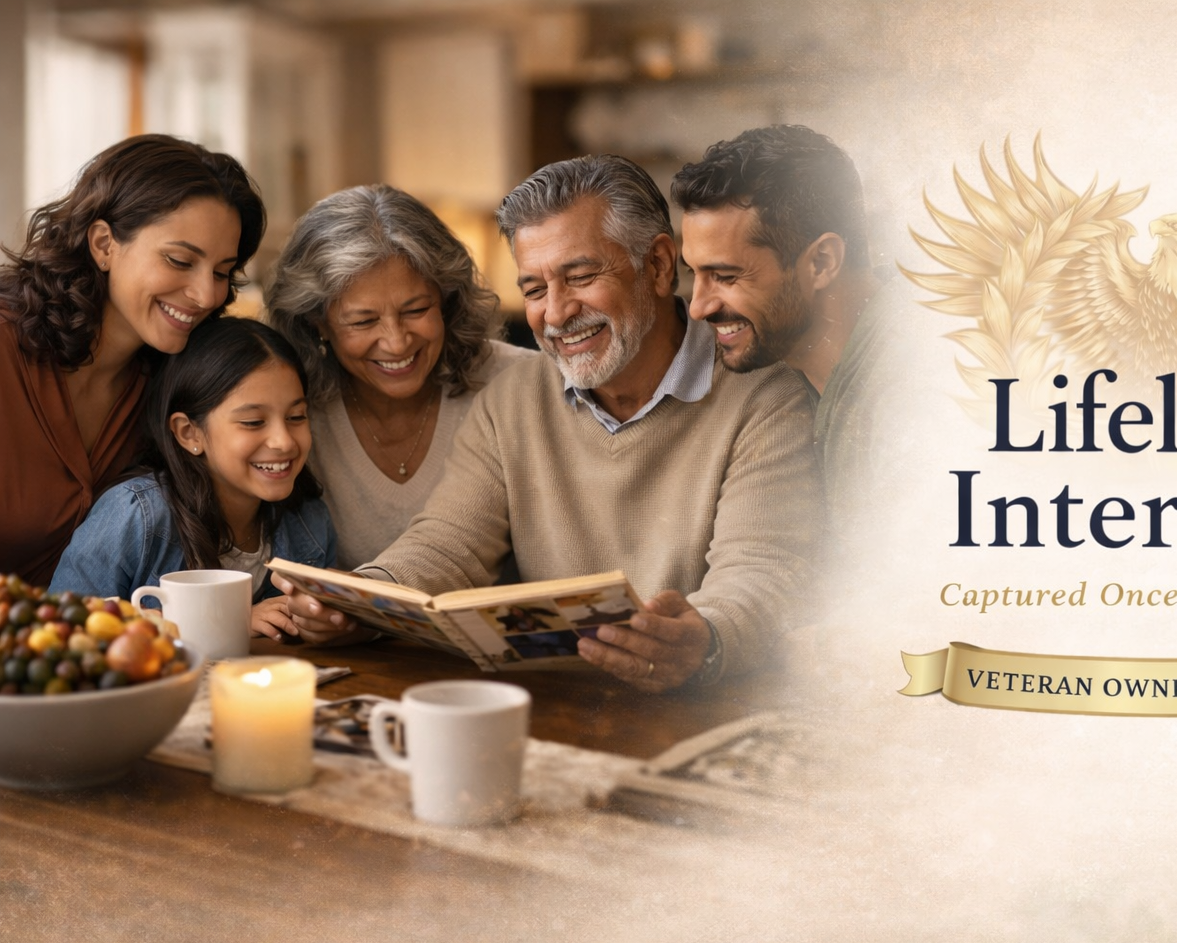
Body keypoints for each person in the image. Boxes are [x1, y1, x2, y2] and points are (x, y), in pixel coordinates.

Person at [279, 155, 820, 691]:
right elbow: (448, 544)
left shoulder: (764, 394)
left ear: (657, 265)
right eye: (535, 289)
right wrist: (356, 597)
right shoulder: (511, 398)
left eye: (580, 277)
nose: (557, 314)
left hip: (704, 702)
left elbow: (764, 568)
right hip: (560, 704)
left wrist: (706, 636)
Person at [0, 134, 266, 585]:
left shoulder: (169, 381)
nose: (206, 295)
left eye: (222, 272)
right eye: (180, 260)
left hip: (93, 645)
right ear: (104, 244)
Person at [264, 184, 524, 569]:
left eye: (416, 310)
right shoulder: (289, 413)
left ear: (447, 299)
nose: (397, 342)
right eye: (364, 321)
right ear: (317, 322)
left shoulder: (519, 384)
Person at [672, 124, 907, 520]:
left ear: (821, 262)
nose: (699, 307)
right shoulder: (781, 359)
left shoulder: (915, 393)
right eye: (695, 274)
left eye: (726, 277)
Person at [51, 317, 336, 641]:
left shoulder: (310, 522)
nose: (284, 441)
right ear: (189, 433)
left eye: (296, 416)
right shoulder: (135, 516)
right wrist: (231, 621)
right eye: (254, 421)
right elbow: (61, 633)